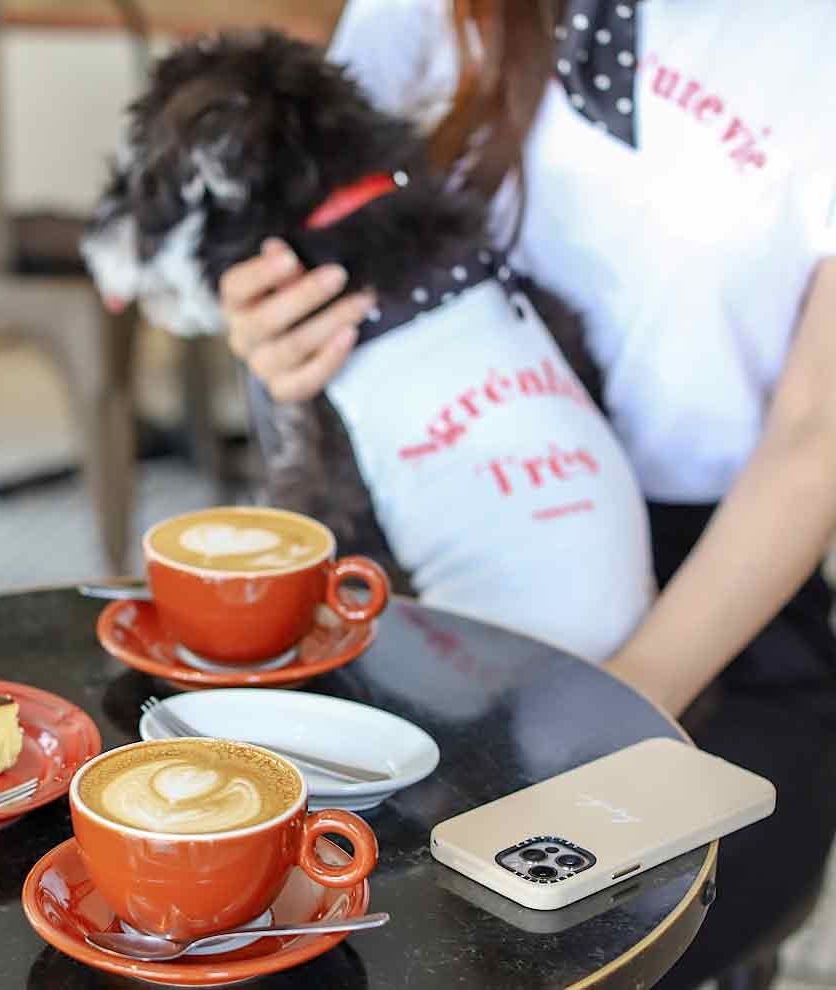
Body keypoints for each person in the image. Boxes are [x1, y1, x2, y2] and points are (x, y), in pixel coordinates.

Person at [214, 2, 836, 986]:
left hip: (710, 604)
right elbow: (327, 242)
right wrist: (275, 329)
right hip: (429, 550)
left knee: (556, 938)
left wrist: (623, 706)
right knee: (262, 907)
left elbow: (819, 434)